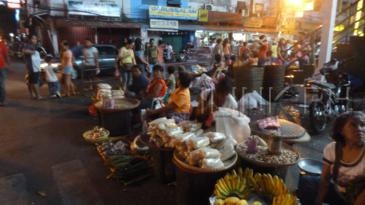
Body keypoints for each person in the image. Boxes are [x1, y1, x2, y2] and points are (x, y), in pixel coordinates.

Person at [315, 111, 365, 205]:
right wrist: (318, 201)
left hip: (358, 199)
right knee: (307, 182)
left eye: (362, 125)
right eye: (353, 125)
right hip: (338, 192)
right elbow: (325, 179)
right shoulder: (332, 149)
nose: (359, 129)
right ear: (341, 130)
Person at [23, 35, 42, 99]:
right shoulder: (28, 45)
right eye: (34, 39)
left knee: (30, 81)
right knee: (35, 81)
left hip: (32, 67)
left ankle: (32, 95)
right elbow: (24, 51)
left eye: (36, 39)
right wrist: (33, 52)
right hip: (33, 67)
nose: (35, 40)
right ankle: (38, 95)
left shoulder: (35, 46)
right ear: (30, 39)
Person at [0, 32, 10, 106]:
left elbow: (6, 55)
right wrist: (8, 64)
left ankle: (2, 100)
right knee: (2, 83)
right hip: (2, 66)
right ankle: (2, 101)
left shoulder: (2, 44)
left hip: (2, 66)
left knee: (2, 84)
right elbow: (6, 56)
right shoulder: (2, 44)